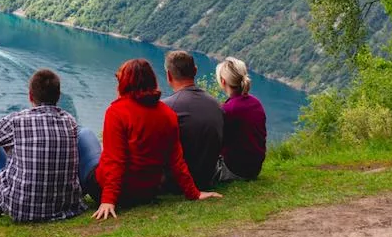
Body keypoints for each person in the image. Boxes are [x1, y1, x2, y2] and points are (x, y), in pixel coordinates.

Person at [86, 58, 221, 220]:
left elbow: (116, 161)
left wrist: (108, 200)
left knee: (87, 156)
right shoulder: (167, 113)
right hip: (147, 192)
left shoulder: (116, 112)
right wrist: (194, 193)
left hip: (115, 192)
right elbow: (176, 160)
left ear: (124, 83)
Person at [0, 68, 86, 222]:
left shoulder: (16, 121)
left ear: (30, 96)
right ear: (58, 96)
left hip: (22, 209)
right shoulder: (70, 121)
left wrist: (9, 148)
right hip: (65, 206)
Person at [161, 50, 223, 190]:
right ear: (195, 71)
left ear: (169, 75)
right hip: (207, 178)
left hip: (175, 183)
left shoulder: (166, 108)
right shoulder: (215, 104)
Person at [216, 57, 267, 181]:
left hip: (234, 170)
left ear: (223, 82)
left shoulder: (228, 110)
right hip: (254, 168)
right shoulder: (256, 103)